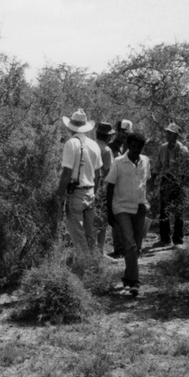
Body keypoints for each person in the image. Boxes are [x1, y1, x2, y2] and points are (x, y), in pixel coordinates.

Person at [55, 108, 105, 271]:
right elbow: (98, 174)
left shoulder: (71, 143)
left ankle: (86, 269)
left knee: (77, 233)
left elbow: (67, 172)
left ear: (70, 127)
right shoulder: (94, 145)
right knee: (90, 234)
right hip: (90, 192)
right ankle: (95, 266)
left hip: (76, 193)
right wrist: (93, 191)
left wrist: (59, 194)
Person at [105, 131, 152, 297]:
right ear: (127, 146)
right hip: (121, 207)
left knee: (136, 247)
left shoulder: (145, 161)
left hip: (139, 207)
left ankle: (128, 276)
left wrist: (147, 205)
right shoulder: (118, 162)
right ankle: (134, 282)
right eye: (133, 147)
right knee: (130, 244)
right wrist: (109, 211)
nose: (135, 150)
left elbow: (146, 182)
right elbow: (110, 186)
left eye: (139, 147)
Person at [150, 122, 189, 249]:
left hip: (179, 181)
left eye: (170, 133)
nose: (167, 135)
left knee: (179, 211)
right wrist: (153, 179)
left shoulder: (183, 150)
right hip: (166, 179)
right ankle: (165, 239)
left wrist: (185, 184)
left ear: (176, 135)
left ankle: (178, 240)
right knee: (164, 210)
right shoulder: (162, 148)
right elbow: (157, 165)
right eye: (167, 133)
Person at [105, 119, 133, 258]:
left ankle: (127, 247)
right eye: (122, 132)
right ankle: (118, 248)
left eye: (127, 133)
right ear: (118, 131)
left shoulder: (129, 148)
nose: (124, 135)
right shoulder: (110, 147)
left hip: (126, 186)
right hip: (113, 184)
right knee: (115, 216)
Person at [93, 122, 116, 259]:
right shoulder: (106, 150)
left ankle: (92, 252)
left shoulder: (91, 145)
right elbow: (108, 172)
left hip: (89, 187)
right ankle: (100, 252)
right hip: (101, 188)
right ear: (108, 137)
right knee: (102, 221)